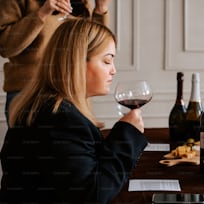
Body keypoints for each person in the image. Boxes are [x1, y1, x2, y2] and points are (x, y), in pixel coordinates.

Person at [0, 19, 148, 204]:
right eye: (107, 60)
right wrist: (127, 134)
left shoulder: (49, 107)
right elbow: (92, 195)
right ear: (77, 62)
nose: (113, 70)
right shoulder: (60, 119)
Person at [0, 0, 112, 122]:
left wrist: (101, 9)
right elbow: (6, 47)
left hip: (73, 90)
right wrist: (42, 13)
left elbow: (92, 46)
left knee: (80, 138)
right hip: (29, 92)